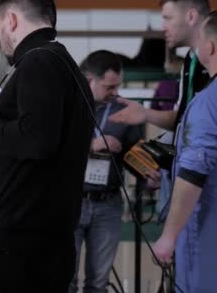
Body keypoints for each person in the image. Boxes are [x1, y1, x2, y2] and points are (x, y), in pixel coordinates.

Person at [0, 0, 94, 292]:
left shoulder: (38, 62)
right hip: (40, 242)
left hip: (17, 247)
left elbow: (36, 141)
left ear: (12, 20)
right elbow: (34, 146)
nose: (0, 36)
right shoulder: (64, 66)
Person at [152, 11, 217, 292]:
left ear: (210, 48)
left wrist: (169, 236)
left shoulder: (207, 103)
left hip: (206, 240)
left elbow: (193, 172)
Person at [70, 50, 144, 293]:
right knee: (66, 279)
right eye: (108, 87)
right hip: (70, 202)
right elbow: (53, 147)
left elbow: (134, 154)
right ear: (89, 79)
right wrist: (91, 145)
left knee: (98, 283)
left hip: (108, 204)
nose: (115, 92)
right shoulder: (68, 103)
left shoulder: (123, 110)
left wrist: (149, 173)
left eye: (118, 86)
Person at [109, 0, 211, 134]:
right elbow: (182, 118)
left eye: (168, 18)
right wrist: (145, 113)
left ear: (191, 17)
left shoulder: (209, 60)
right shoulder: (190, 61)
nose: (163, 27)